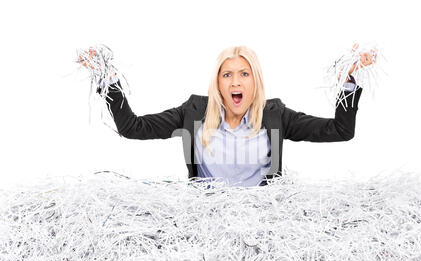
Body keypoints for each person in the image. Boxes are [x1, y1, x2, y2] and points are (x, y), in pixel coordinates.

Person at [82, 46, 374, 187]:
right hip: (207, 226)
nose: (236, 82)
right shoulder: (193, 112)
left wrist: (348, 80)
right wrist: (107, 80)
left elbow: (340, 130)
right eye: (228, 75)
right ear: (218, 83)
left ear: (255, 81)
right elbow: (133, 128)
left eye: (244, 74)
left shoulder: (276, 115)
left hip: (262, 229)